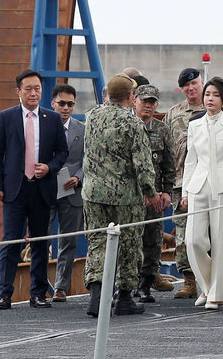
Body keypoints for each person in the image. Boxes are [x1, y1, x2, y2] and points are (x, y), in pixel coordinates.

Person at [81, 74, 160, 317]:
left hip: (93, 193)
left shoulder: (91, 116)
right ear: (130, 97)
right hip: (125, 196)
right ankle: (124, 298)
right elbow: (143, 163)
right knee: (128, 245)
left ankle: (96, 297)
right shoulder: (133, 122)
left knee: (97, 243)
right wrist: (151, 192)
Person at [0, 69, 68, 310]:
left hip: (41, 188)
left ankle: (38, 293)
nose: (33, 93)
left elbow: (62, 152)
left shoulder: (52, 119)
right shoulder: (6, 117)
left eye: (37, 89)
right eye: (28, 89)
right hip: (14, 189)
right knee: (10, 242)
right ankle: (4, 294)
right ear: (18, 92)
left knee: (40, 243)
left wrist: (50, 167)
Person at [183, 77, 223, 310]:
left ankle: (217, 293)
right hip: (198, 185)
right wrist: (187, 190)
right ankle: (207, 286)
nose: (210, 99)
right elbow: (190, 160)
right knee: (193, 241)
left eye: (215, 95)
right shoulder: (194, 125)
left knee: (222, 242)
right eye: (207, 94)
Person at [165, 68, 205, 298]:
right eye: (186, 86)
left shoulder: (214, 108)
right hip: (180, 183)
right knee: (182, 234)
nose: (191, 89)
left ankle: (210, 281)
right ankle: (189, 281)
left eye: (195, 84)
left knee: (207, 232)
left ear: (202, 83)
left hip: (206, 182)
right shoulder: (174, 113)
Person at [133, 84, 176, 302]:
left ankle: (145, 284)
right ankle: (129, 284)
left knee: (153, 239)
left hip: (155, 197)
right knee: (131, 241)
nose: (148, 105)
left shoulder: (162, 129)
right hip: (131, 196)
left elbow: (169, 164)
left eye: (152, 102)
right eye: (144, 101)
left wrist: (167, 191)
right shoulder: (127, 126)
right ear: (134, 101)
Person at [48, 84, 85, 303]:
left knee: (68, 240)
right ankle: (40, 284)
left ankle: (61, 287)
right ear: (53, 103)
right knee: (41, 239)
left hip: (71, 189)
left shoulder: (82, 128)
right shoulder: (42, 126)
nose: (66, 108)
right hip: (46, 187)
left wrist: (79, 177)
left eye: (70, 104)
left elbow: (88, 158)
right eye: (62, 103)